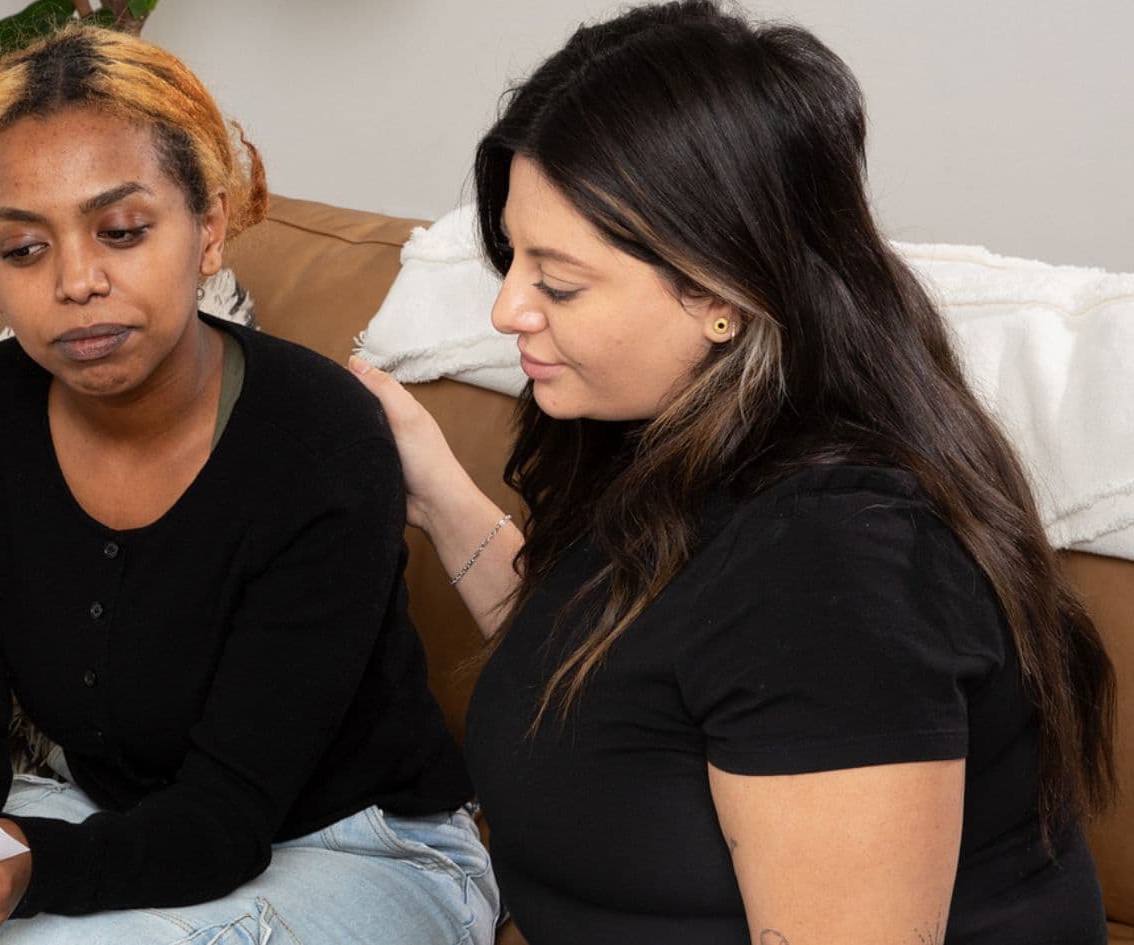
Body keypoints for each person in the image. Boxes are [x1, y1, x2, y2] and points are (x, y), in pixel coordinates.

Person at [347, 2, 1117, 943]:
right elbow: (622, 678)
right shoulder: (679, 437)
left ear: (719, 290)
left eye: (558, 281)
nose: (508, 310)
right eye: (511, 259)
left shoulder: (838, 572)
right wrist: (435, 487)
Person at [0, 25, 497, 945]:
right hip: (108, 818)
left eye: (122, 231)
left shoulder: (319, 440)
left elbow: (225, 818)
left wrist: (28, 871)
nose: (78, 281)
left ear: (208, 228)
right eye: (23, 249)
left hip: (361, 846)